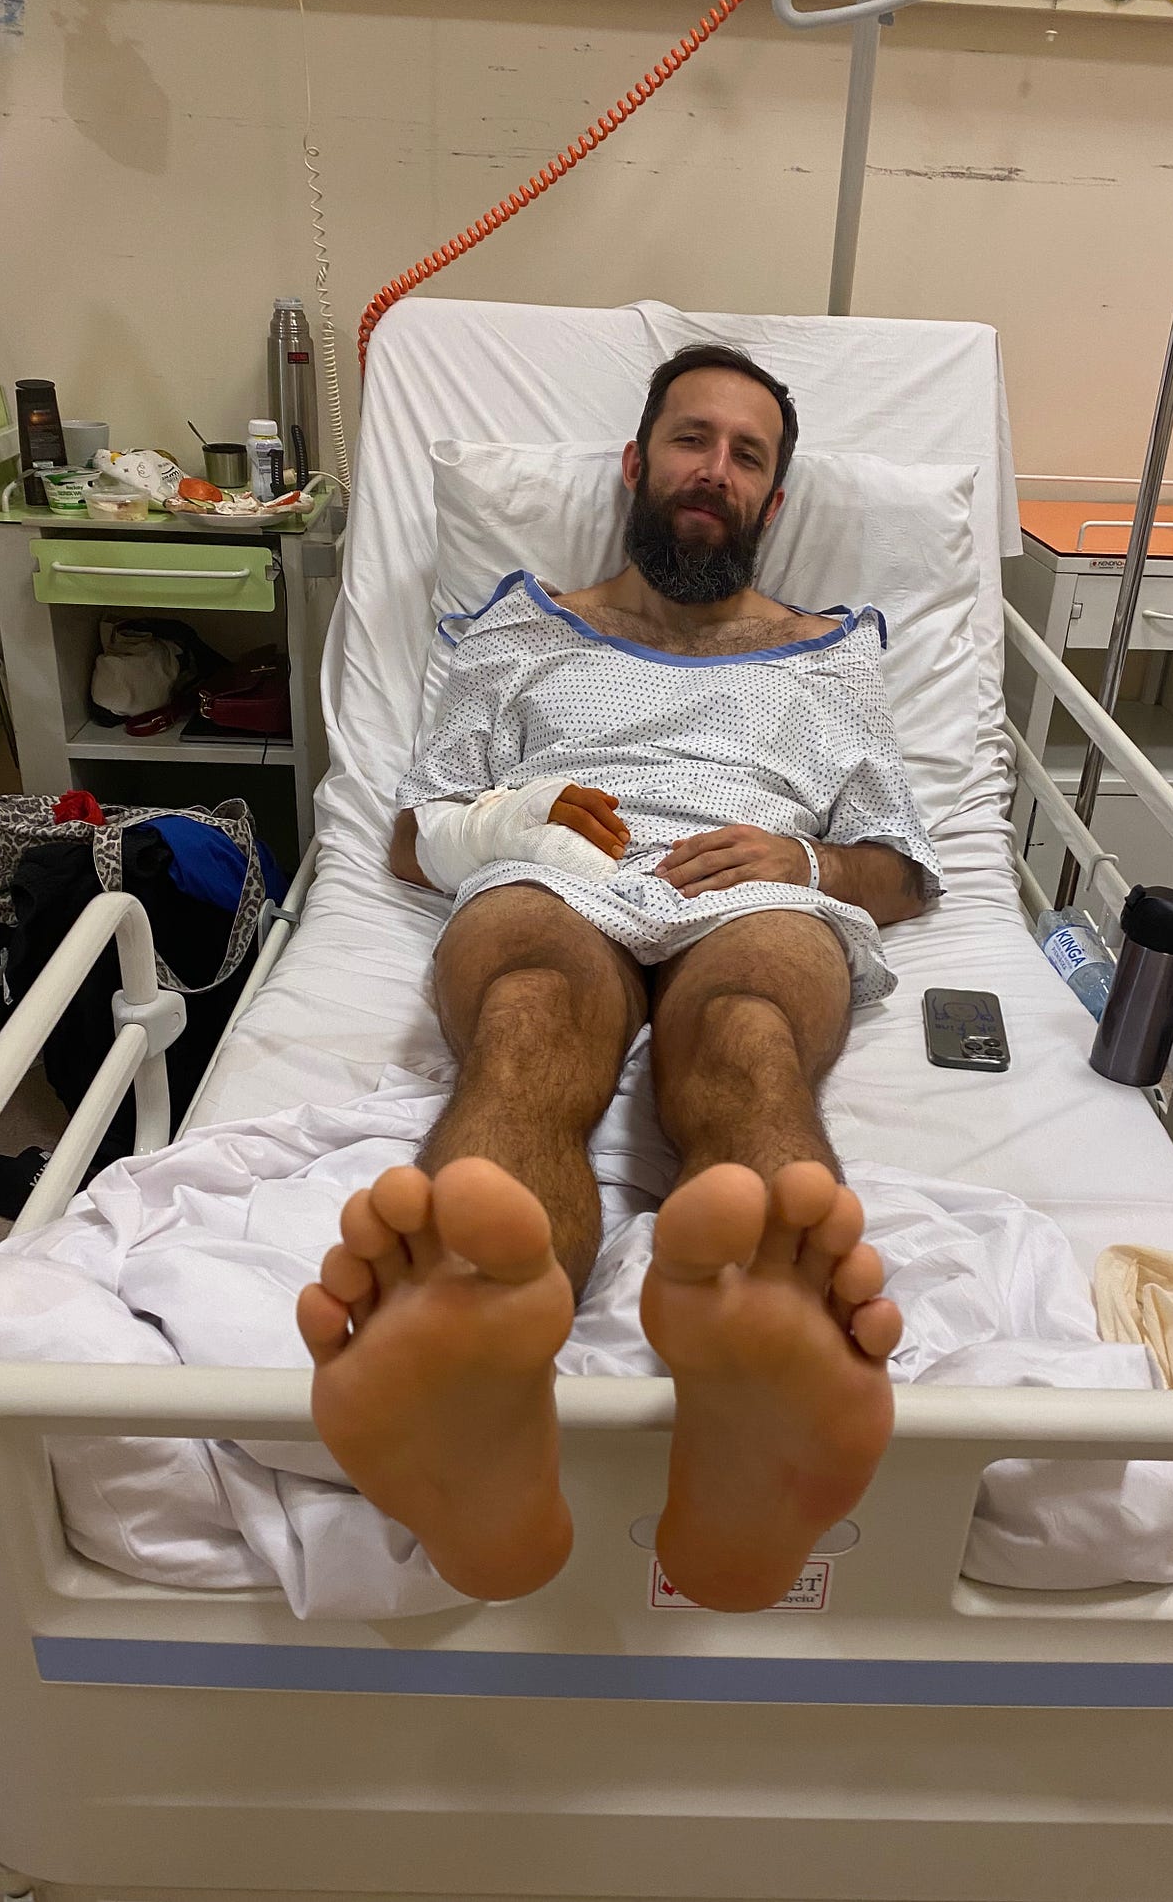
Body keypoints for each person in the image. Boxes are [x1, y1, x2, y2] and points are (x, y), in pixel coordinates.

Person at [296, 344, 938, 1612]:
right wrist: (519, 828)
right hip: (551, 881)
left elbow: (905, 871)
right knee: (530, 1013)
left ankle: (764, 1377)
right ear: (637, 465)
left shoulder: (831, 658)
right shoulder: (518, 630)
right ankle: (473, 1357)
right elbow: (417, 836)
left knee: (747, 1030)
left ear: (774, 499)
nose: (715, 470)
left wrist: (804, 858)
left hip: (754, 893)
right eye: (692, 440)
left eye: (747, 455)